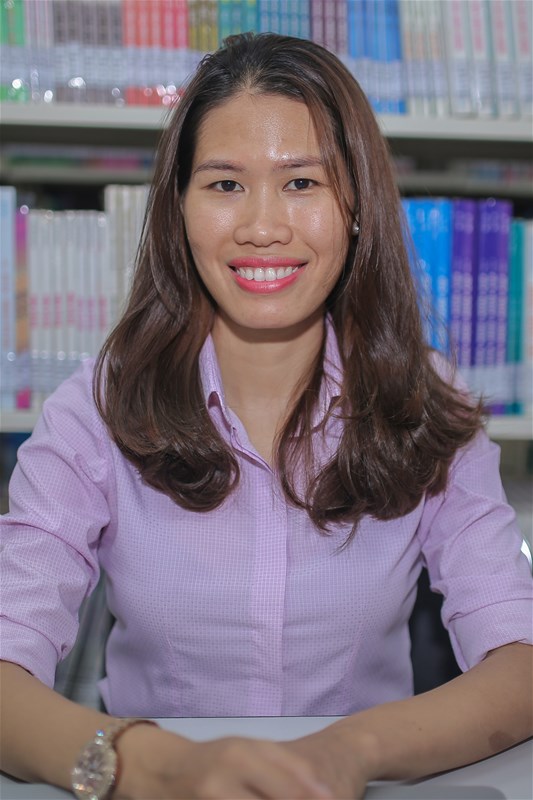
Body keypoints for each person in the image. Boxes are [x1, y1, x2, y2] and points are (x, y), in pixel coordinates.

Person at [1, 31, 531, 800]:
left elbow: (518, 661)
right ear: (178, 208)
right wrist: (158, 766)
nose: (261, 225)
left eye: (301, 183)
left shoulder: (425, 401)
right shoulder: (97, 407)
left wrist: (348, 751)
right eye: (224, 184)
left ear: (356, 206)